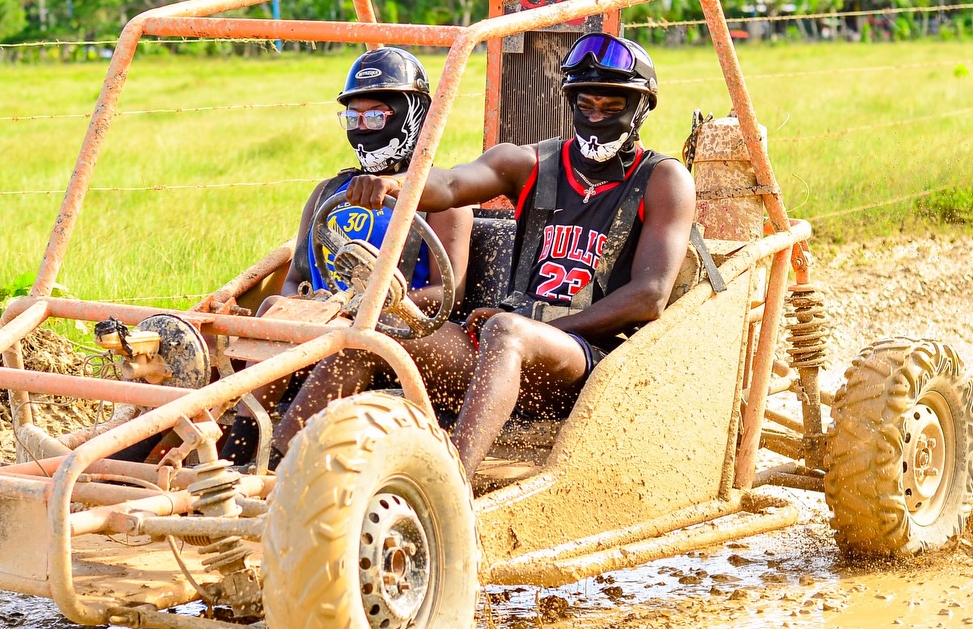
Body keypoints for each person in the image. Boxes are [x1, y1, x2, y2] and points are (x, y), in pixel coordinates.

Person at [272, 32, 696, 477]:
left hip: (584, 357)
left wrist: (536, 326)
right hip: (500, 346)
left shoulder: (663, 179)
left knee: (507, 331)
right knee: (368, 335)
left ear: (641, 109)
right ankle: (272, 468)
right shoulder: (533, 162)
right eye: (585, 105)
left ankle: (450, 479)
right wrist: (400, 185)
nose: (596, 118)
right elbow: (452, 185)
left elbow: (649, 296)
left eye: (612, 109)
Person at [221, 47, 472, 463]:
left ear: (412, 118)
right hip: (327, 327)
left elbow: (448, 295)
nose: (362, 128)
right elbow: (295, 278)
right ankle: (234, 455)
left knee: (358, 339)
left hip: (407, 331)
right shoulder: (328, 193)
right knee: (273, 309)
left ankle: (279, 465)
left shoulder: (440, 199)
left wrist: (363, 309)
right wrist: (309, 308)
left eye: (376, 117)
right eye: (353, 118)